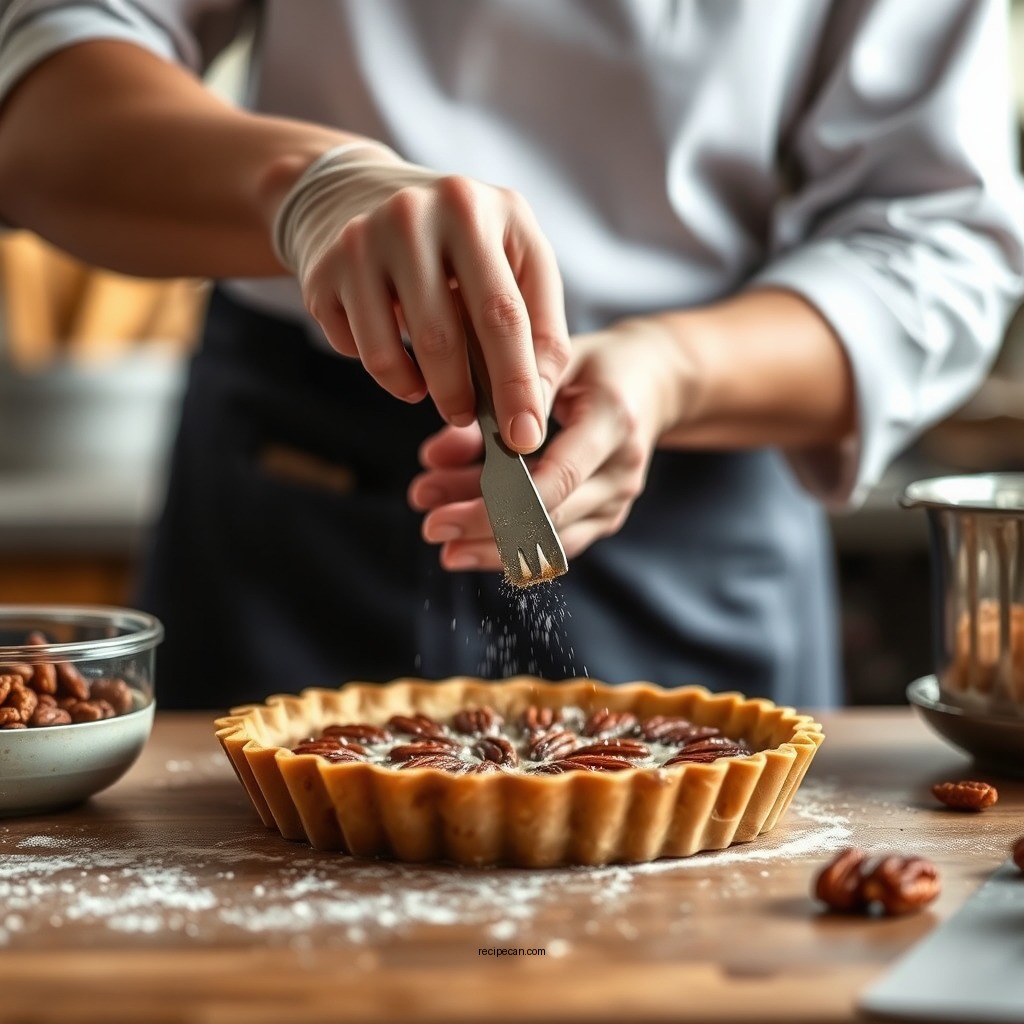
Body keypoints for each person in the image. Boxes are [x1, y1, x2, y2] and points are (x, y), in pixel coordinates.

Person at [0, 1, 1021, 711]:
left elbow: (939, 241)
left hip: (699, 495)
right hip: (293, 496)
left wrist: (670, 372)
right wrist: (308, 186)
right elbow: (42, 81)